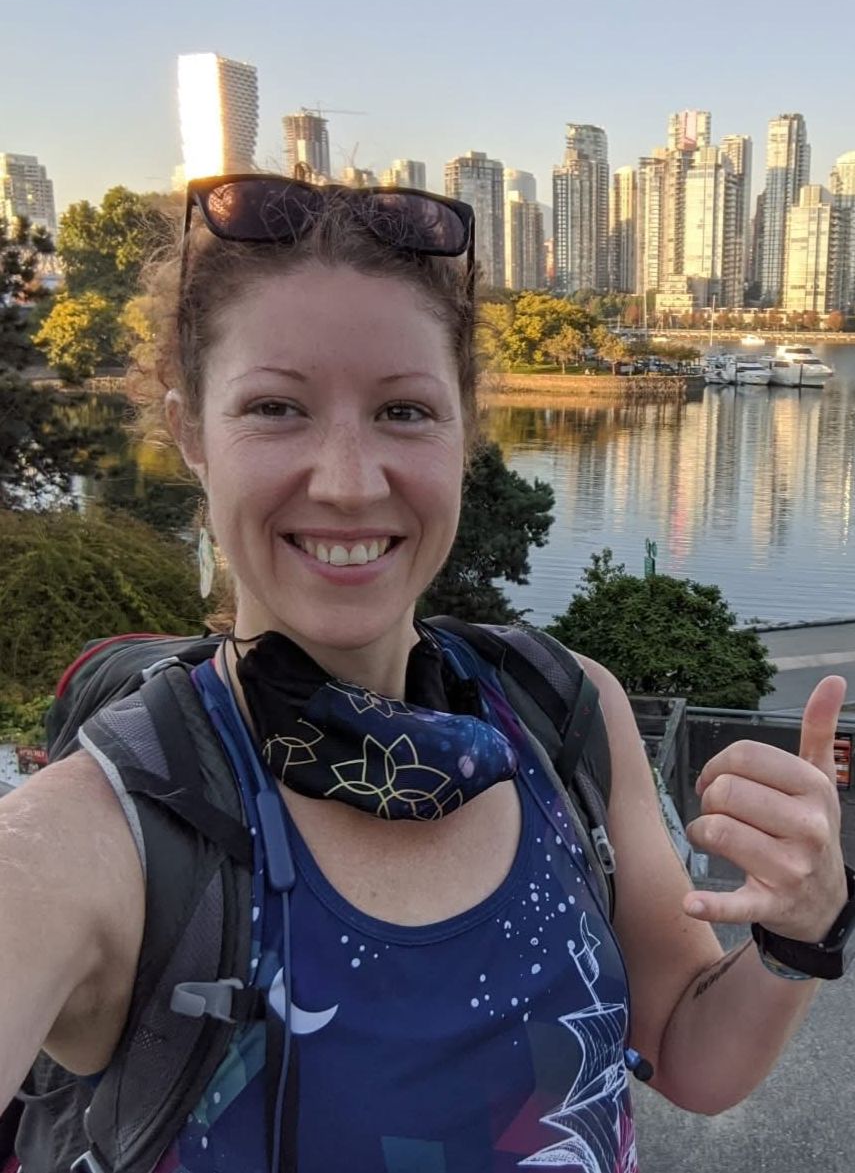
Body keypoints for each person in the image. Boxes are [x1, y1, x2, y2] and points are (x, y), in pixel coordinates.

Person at [0, 174, 852, 1173]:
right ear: (192, 430)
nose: (348, 480)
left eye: (403, 411)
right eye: (275, 407)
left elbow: (687, 1048)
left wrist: (802, 927)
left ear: (463, 428)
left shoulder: (562, 708)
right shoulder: (116, 826)